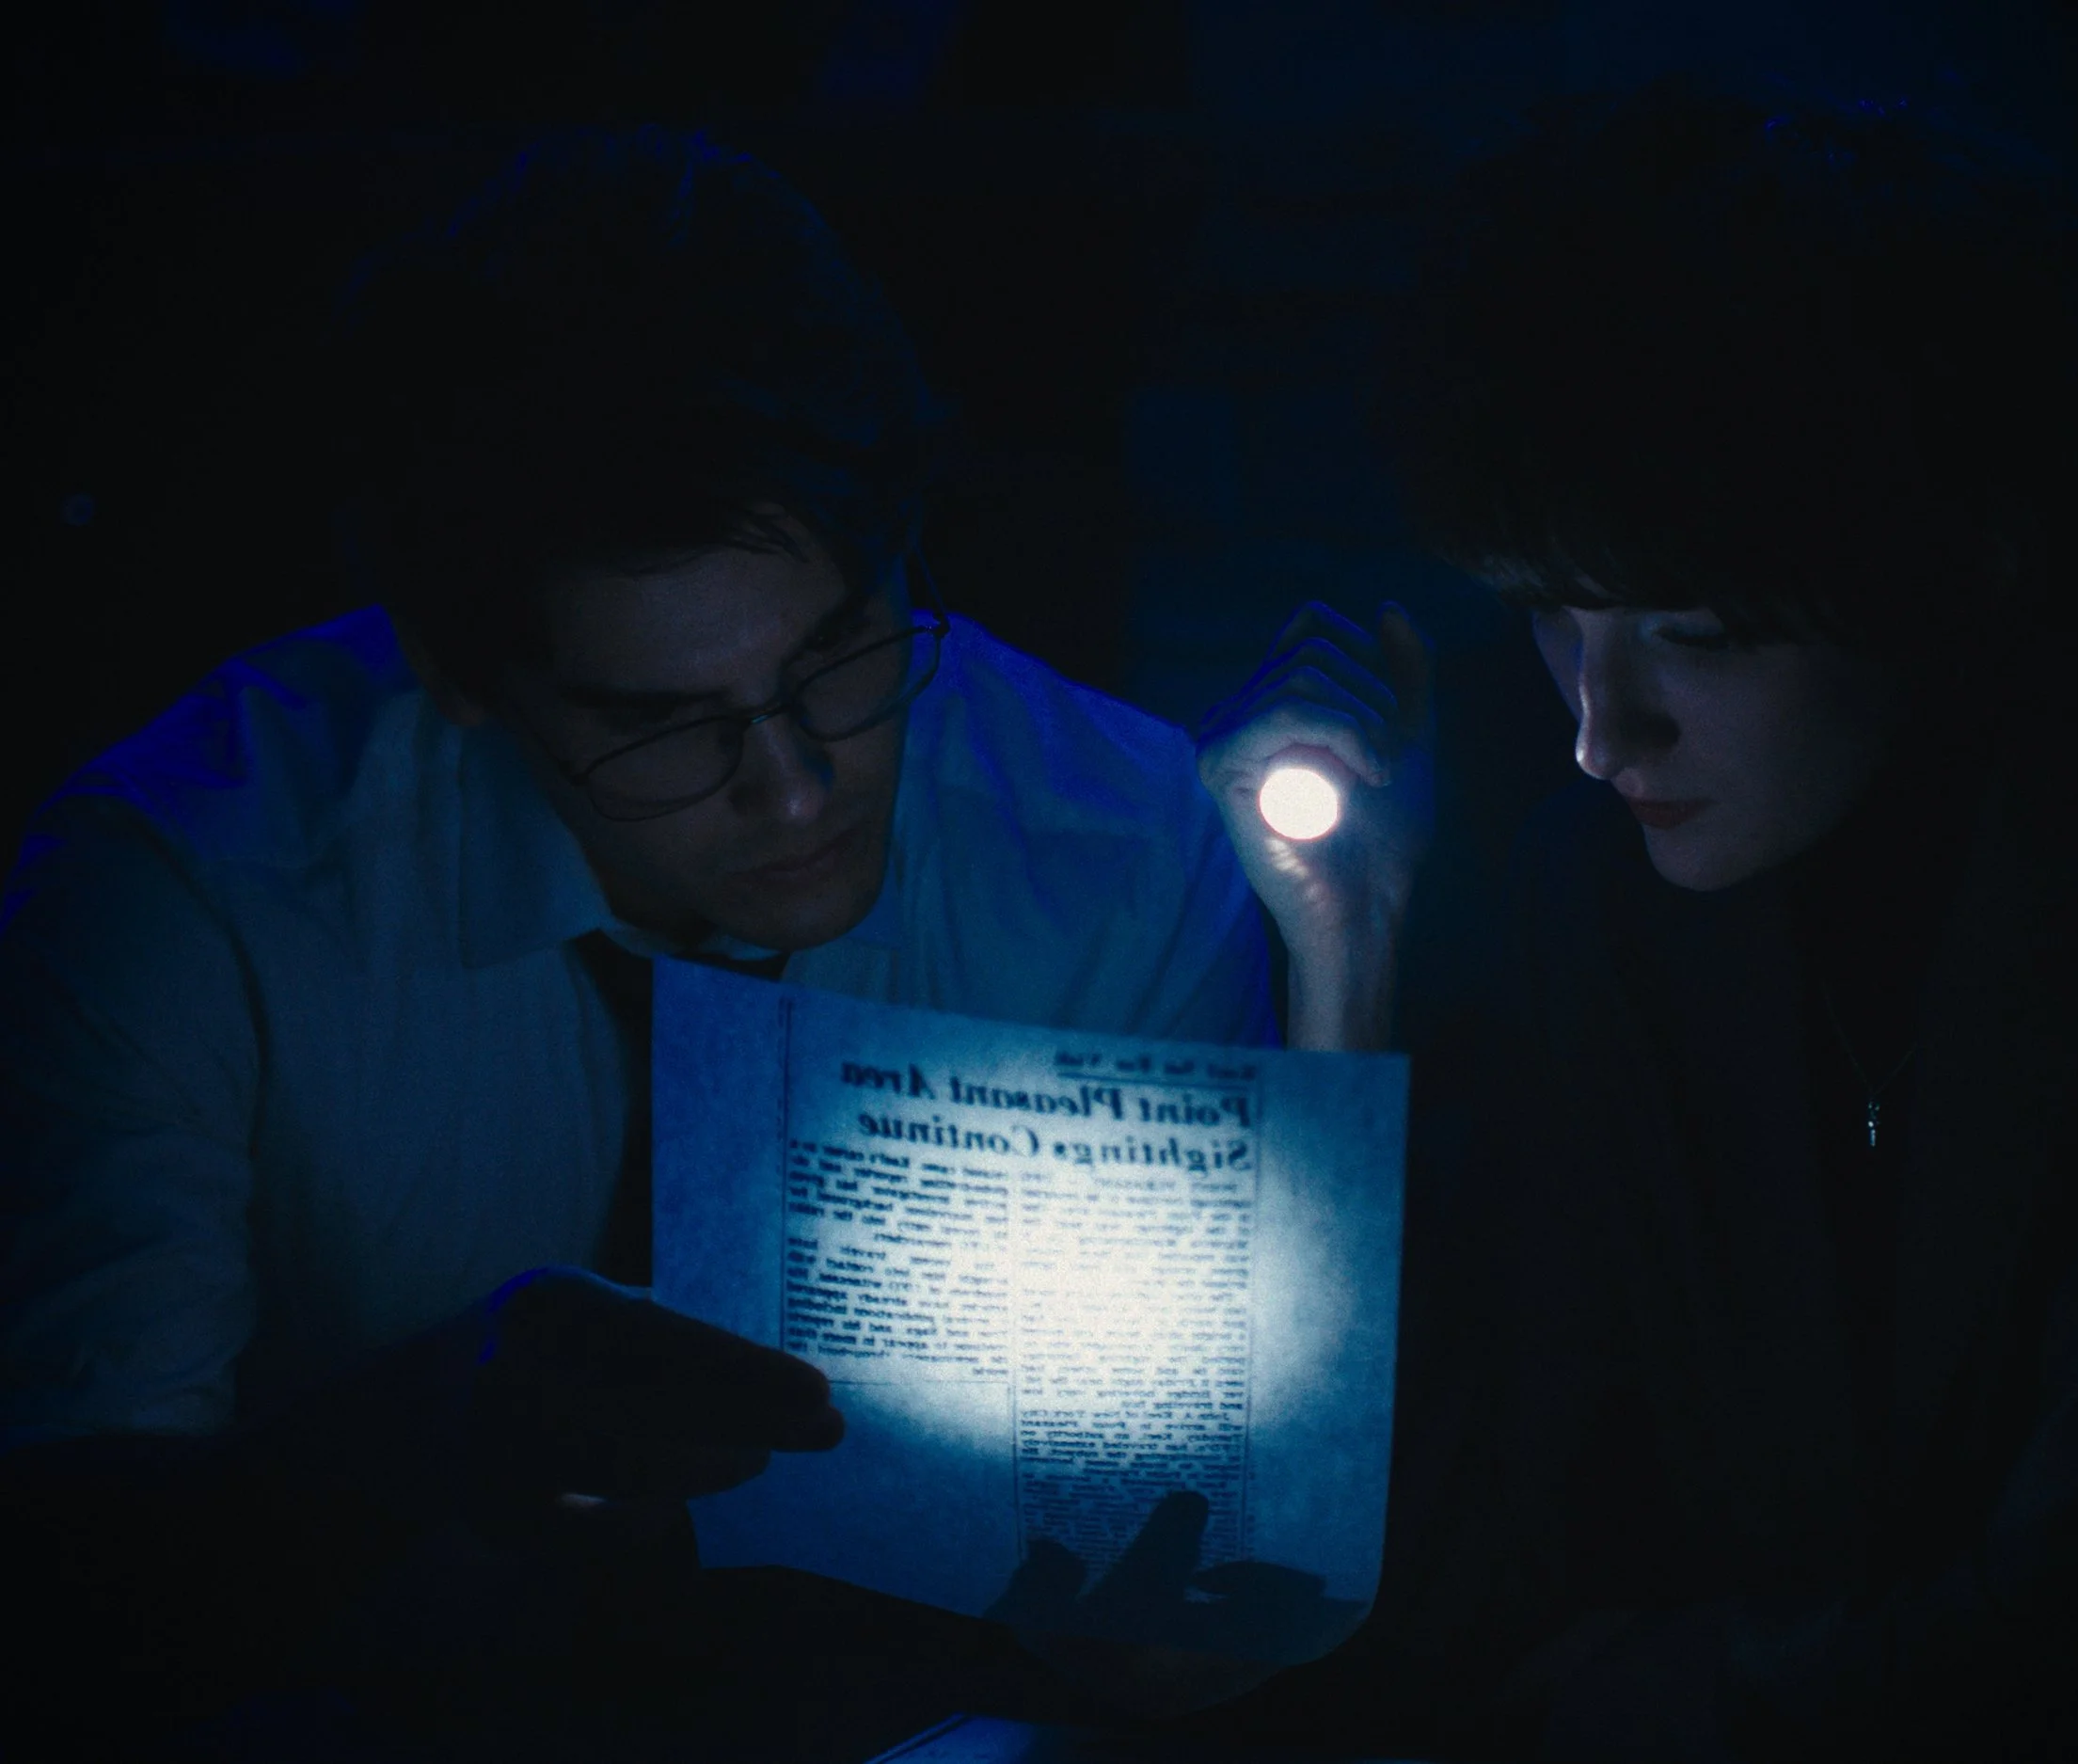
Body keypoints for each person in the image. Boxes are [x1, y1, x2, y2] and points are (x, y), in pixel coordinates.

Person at [0, 126, 1271, 1746]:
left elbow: (1186, 1602)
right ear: (470, 686)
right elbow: (60, 1611)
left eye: (839, 655)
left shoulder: (1122, 841)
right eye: (662, 725)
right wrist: (406, 1440)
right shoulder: (192, 882)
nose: (798, 785)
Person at [1191, 78, 2078, 1759]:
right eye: (1550, 615)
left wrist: (1688, 1688)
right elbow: (1436, 1585)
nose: (1602, 728)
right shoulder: (1599, 902)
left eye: (1702, 632)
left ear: (1961, 565)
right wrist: (1345, 987)